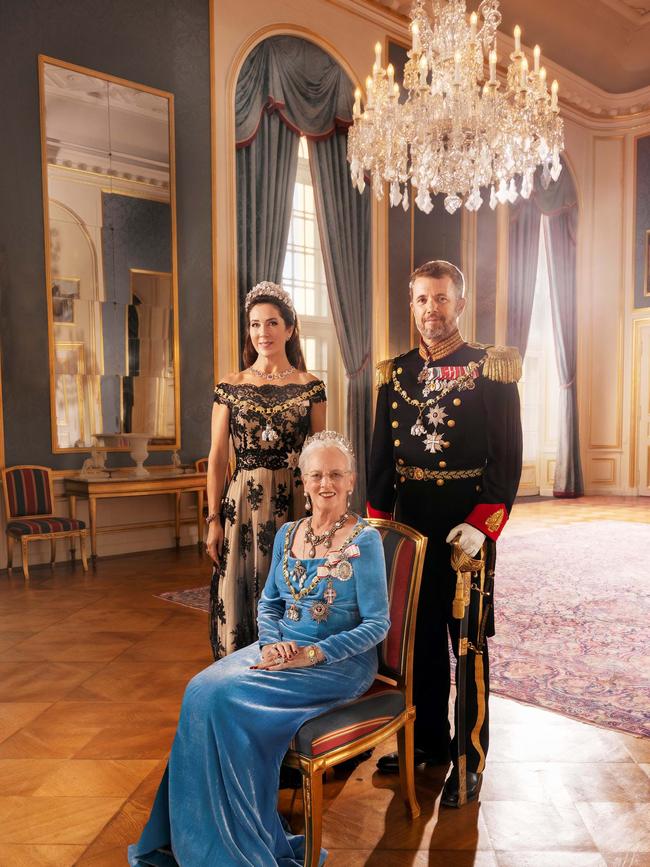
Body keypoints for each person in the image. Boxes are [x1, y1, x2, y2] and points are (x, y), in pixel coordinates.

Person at [128, 431, 390, 866]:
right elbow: (269, 602)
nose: (326, 483)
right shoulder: (289, 532)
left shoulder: (364, 541)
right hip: (281, 649)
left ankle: (237, 845)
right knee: (199, 688)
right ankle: (200, 839)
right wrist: (273, 643)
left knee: (225, 698)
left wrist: (312, 654)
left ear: (351, 481)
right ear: (303, 481)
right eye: (317, 474)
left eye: (336, 475)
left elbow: (377, 624)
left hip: (338, 662)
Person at [367, 260, 522, 807]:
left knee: (468, 643)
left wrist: (484, 526)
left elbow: (506, 460)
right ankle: (428, 741)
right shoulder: (396, 372)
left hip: (465, 529)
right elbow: (380, 459)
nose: (431, 310)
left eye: (441, 299)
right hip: (411, 526)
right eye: (422, 300)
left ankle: (468, 756)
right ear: (411, 305)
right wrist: (378, 525)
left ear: (460, 302)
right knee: (419, 642)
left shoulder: (491, 367)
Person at [207, 281, 326, 659]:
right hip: (241, 504)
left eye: (272, 323)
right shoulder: (229, 386)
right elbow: (216, 458)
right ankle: (238, 669)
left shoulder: (311, 388)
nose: (263, 333)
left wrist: (321, 517)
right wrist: (212, 519)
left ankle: (289, 663)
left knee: (292, 585)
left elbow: (320, 457)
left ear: (290, 329)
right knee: (239, 587)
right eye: (255, 324)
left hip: (295, 504)